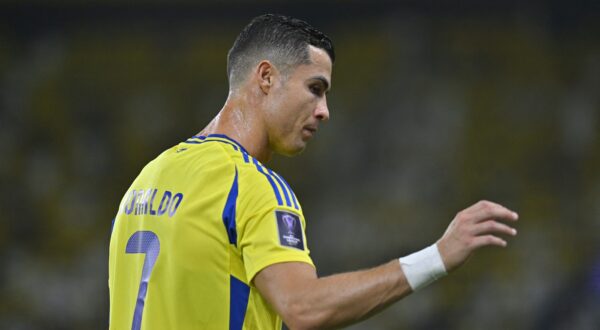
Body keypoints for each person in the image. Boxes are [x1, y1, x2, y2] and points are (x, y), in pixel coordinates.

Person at [108, 14, 519, 330]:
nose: (324, 111)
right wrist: (438, 257)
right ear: (266, 77)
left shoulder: (146, 180)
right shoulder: (252, 186)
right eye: (315, 88)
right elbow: (303, 307)